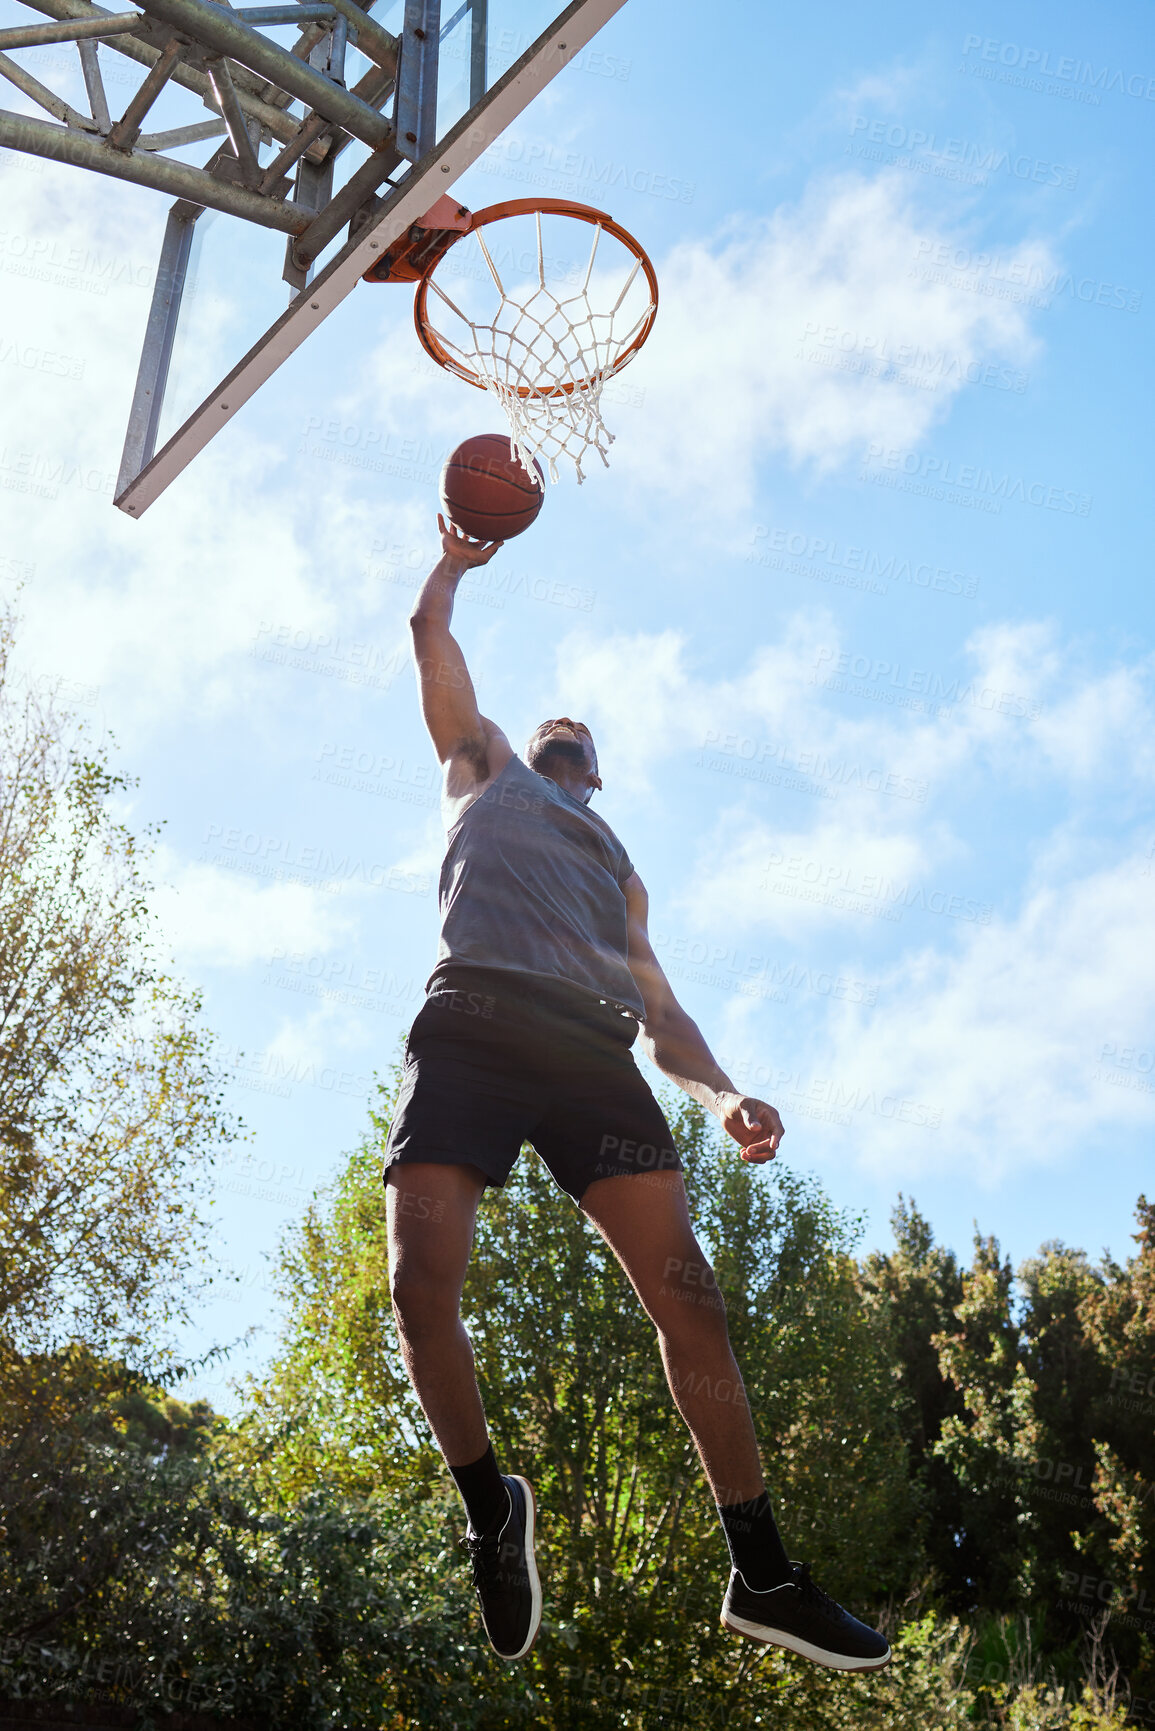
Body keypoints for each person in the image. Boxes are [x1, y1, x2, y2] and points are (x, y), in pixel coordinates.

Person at [382, 515, 890, 1673]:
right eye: (553, 727)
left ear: (597, 776)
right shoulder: (482, 767)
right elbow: (426, 632)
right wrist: (457, 560)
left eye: (581, 742)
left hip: (587, 1053)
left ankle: (762, 1570)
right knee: (418, 1287)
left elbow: (664, 1016)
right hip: (469, 1019)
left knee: (690, 1296)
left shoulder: (616, 866)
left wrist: (722, 1097)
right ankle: (487, 1510)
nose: (564, 738)